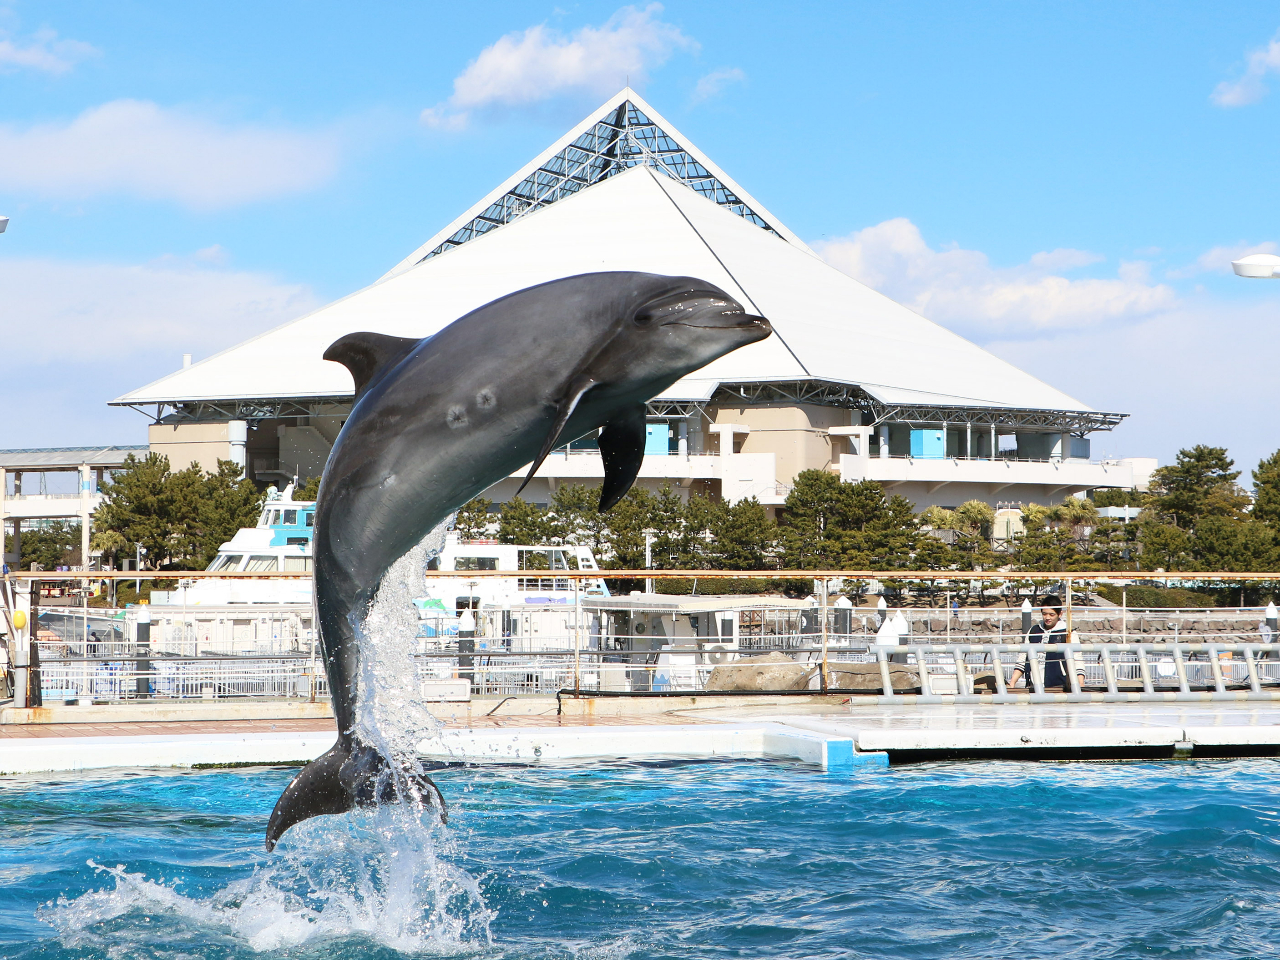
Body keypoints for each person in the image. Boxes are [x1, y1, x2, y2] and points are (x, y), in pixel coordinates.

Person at [1007, 595, 1084, 692]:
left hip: (1059, 686)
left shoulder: (1068, 633)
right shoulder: (1033, 631)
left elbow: (1077, 659)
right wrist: (1012, 682)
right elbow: (1023, 658)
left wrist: (1080, 683)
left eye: (1052, 615)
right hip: (1033, 686)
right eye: (1044, 614)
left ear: (1060, 614)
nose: (1047, 617)